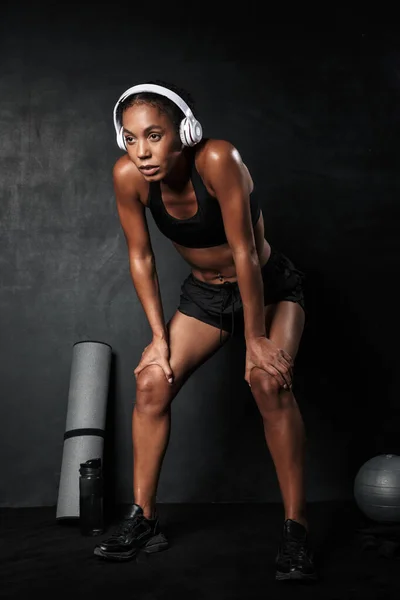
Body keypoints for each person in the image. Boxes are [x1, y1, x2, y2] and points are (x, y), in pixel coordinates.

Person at [93, 80, 317, 581]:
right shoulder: (129, 177)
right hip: (206, 297)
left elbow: (244, 252)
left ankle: (296, 529)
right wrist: (157, 337)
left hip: (269, 286)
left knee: (266, 382)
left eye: (154, 135)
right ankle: (144, 520)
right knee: (152, 382)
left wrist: (256, 338)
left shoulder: (217, 159)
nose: (142, 151)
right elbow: (140, 256)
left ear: (183, 132)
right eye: (130, 138)